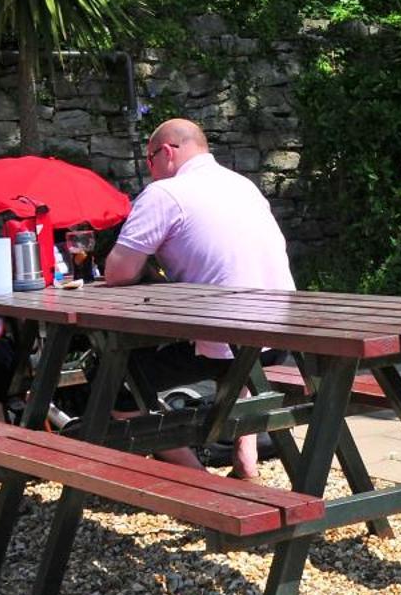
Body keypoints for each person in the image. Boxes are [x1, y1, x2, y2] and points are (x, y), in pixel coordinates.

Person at [102, 118, 294, 479]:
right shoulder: (243, 186)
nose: (149, 169)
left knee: (111, 375)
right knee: (237, 364)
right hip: (279, 334)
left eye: (149, 159)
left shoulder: (165, 194)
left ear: (168, 152)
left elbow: (119, 273)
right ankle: (245, 464)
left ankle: (199, 481)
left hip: (230, 339)